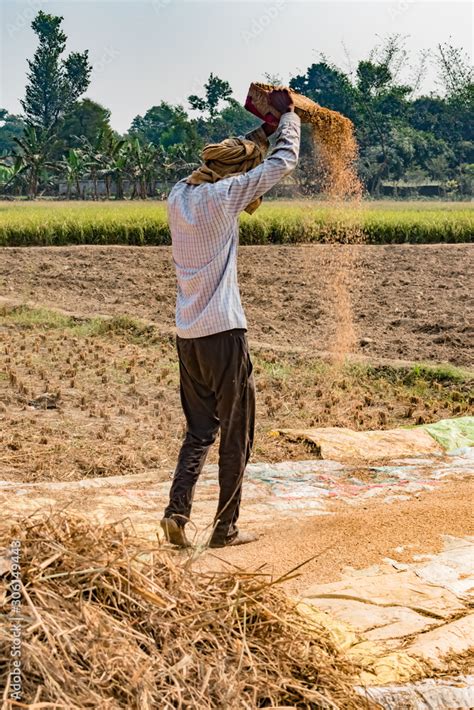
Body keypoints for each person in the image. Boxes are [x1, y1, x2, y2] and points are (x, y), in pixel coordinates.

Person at [161, 89, 301, 548]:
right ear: (233, 174)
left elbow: (225, 161)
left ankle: (177, 511)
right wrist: (290, 120)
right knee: (236, 434)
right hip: (224, 331)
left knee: (200, 429)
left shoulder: (179, 194)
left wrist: (260, 130)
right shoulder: (225, 197)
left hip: (188, 335)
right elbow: (280, 165)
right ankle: (225, 528)